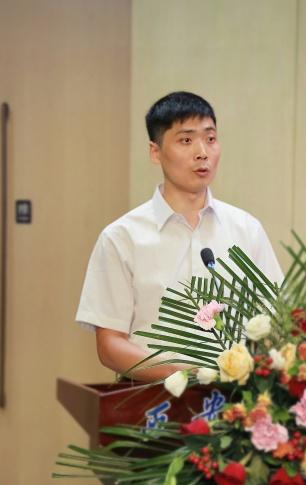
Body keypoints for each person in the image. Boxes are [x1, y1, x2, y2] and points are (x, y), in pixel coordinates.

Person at [75, 91, 283, 382]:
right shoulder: (122, 238)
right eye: (186, 140)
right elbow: (110, 345)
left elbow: (275, 321)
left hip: (234, 400)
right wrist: (184, 377)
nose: (202, 152)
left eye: (210, 138)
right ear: (155, 152)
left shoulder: (247, 230)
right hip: (152, 400)